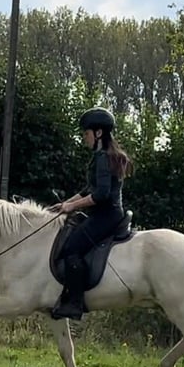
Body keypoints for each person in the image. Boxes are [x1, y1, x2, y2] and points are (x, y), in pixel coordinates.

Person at [49, 106, 133, 321]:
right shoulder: (102, 156)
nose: (84, 138)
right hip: (105, 214)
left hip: (107, 216)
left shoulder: (104, 157)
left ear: (98, 133)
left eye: (86, 133)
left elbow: (102, 194)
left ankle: (75, 302)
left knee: (71, 249)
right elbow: (88, 190)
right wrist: (65, 204)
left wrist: (72, 207)